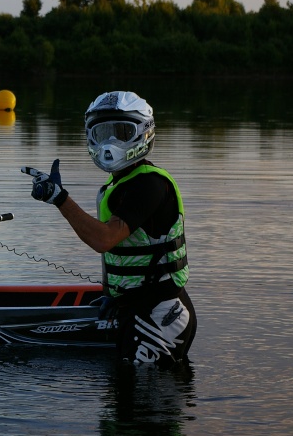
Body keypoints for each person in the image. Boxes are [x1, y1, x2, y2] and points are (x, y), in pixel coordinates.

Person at [23, 91, 196, 367]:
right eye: (103, 133)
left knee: (145, 405)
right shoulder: (117, 187)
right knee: (122, 405)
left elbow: (104, 240)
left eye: (121, 132)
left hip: (161, 314)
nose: (110, 143)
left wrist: (60, 198)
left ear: (143, 133)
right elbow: (118, 252)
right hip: (136, 308)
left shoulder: (149, 185)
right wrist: (112, 296)